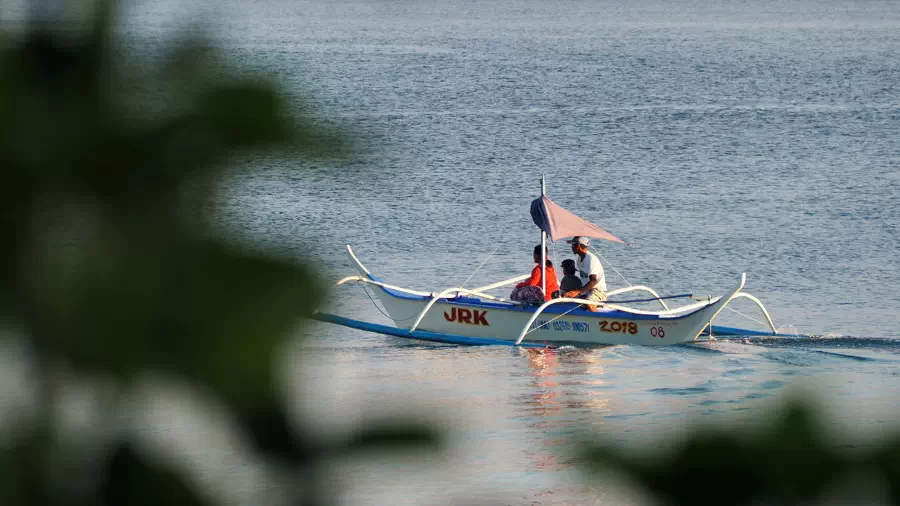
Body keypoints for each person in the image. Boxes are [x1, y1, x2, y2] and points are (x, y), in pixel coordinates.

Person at [563, 236, 607, 311]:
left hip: (598, 291)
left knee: (588, 303)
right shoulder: (579, 260)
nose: (571, 247)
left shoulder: (591, 259)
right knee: (566, 299)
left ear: (579, 246)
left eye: (573, 245)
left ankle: (599, 320)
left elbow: (593, 281)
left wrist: (577, 291)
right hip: (587, 291)